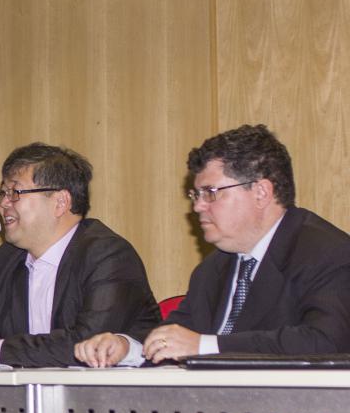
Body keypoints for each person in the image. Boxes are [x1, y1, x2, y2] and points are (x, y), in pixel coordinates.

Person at [75, 124, 350, 367]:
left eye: (210, 193)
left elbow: (326, 341)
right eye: (196, 194)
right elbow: (175, 335)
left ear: (261, 192)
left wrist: (206, 346)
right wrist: (126, 348)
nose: (197, 206)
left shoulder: (327, 253)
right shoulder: (214, 267)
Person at [0, 143, 160, 367]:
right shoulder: (8, 259)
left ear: (60, 202)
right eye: (2, 193)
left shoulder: (108, 256)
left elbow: (88, 345)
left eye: (15, 192)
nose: (3, 204)